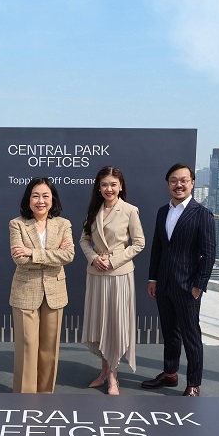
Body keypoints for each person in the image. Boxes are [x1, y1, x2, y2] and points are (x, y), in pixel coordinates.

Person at [142, 163, 215, 396]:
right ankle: (170, 373)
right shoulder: (162, 212)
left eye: (183, 180)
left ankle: (194, 384)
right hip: (163, 283)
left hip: (187, 286)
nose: (178, 184)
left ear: (192, 183)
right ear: (168, 184)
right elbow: (158, 248)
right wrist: (153, 278)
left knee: (191, 336)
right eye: (174, 180)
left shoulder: (202, 214)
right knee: (170, 332)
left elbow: (209, 254)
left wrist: (198, 286)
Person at [79, 166, 145, 395]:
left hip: (119, 275)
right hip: (96, 275)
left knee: (115, 326)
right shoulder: (93, 210)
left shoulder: (129, 210)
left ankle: (113, 376)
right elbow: (84, 240)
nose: (109, 189)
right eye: (105, 184)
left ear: (121, 186)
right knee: (101, 324)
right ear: (98, 187)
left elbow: (139, 243)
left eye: (113, 184)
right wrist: (93, 258)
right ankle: (104, 371)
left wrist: (113, 260)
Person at [9, 177, 74, 393]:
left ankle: (46, 396)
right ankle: (25, 398)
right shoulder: (17, 224)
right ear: (28, 200)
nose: (40, 201)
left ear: (52, 199)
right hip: (25, 291)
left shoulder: (63, 224)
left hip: (55, 292)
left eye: (45, 196)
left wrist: (32, 252)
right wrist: (53, 254)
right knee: (27, 347)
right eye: (35, 196)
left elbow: (68, 255)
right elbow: (20, 259)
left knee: (49, 348)